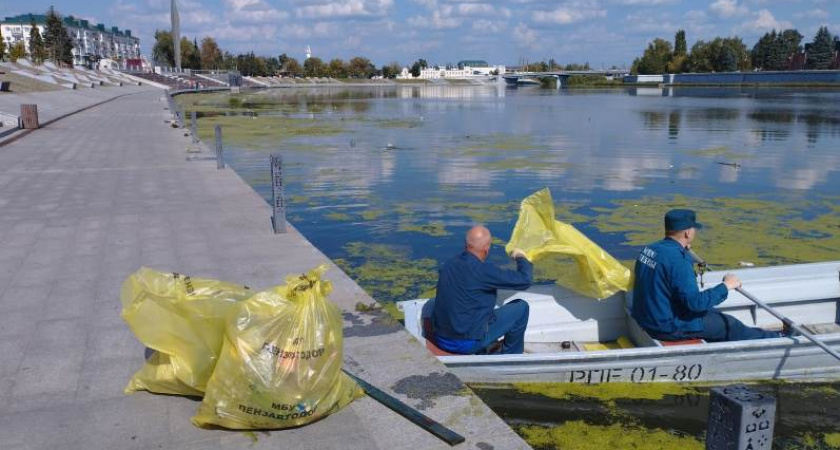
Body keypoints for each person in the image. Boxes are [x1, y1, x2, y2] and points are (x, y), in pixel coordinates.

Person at [631, 209, 781, 342]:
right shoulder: (678, 260)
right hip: (667, 327)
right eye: (693, 229)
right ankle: (777, 339)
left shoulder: (650, 249)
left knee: (713, 315)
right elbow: (695, 304)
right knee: (729, 324)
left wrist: (683, 251)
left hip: (647, 318)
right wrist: (726, 286)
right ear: (687, 233)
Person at [429, 225, 533, 355]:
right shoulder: (483, 271)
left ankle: (486, 348)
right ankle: (511, 355)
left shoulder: (449, 265)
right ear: (487, 248)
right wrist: (521, 257)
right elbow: (525, 280)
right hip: (466, 343)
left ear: (466, 243)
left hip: (441, 338)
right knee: (521, 308)